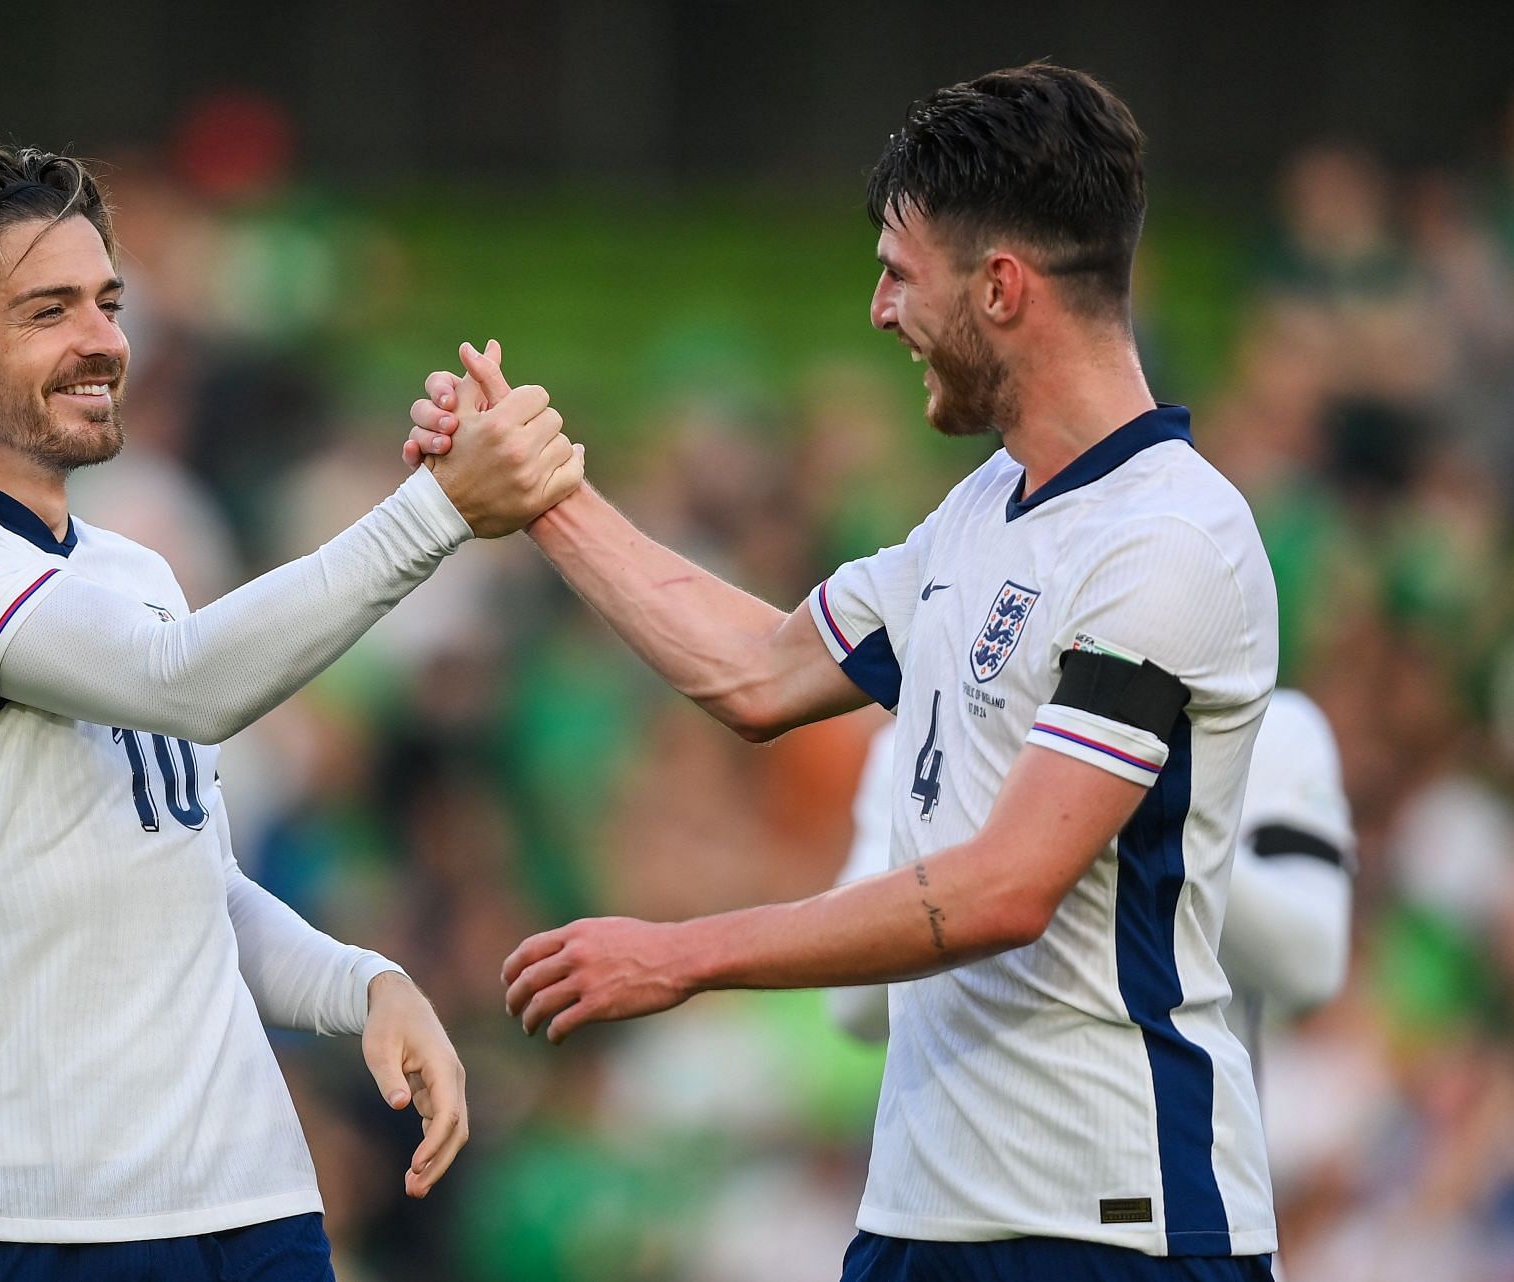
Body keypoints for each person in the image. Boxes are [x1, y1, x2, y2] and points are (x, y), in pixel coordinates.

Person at [409, 63, 1281, 1280]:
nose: (878, 311)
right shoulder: (981, 514)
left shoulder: (1170, 541)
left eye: (896, 272)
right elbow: (756, 672)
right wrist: (541, 496)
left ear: (1000, 286)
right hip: (925, 1211)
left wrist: (683, 955)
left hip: (1110, 1217)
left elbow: (1002, 891)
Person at [0, 145, 582, 1282]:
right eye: (47, 310)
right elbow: (189, 686)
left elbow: (187, 881)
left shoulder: (137, 573)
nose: (103, 339)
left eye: (109, 303)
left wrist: (361, 980)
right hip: (27, 1218)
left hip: (253, 1201)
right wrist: (436, 512)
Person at [825, 690, 1355, 1072]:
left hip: (1176, 1186)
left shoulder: (1267, 731)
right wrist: (986, 817)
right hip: (956, 1193)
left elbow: (1311, 969)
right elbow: (854, 1008)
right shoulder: (917, 741)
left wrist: (1130, 805)